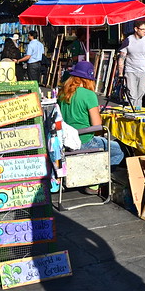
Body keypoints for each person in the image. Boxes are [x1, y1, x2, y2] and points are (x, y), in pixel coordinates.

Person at [58, 61, 124, 194]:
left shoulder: (62, 93)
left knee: (105, 144)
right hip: (84, 140)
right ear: (88, 79)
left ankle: (84, 176)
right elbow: (97, 126)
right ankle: (94, 183)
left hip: (65, 143)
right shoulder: (89, 95)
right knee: (118, 151)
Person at [117, 21, 145, 110]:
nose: (144, 31)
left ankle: (137, 112)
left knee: (140, 94)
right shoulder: (128, 40)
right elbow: (121, 58)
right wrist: (120, 74)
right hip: (130, 71)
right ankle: (132, 112)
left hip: (143, 71)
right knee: (132, 94)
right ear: (136, 29)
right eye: (142, 29)